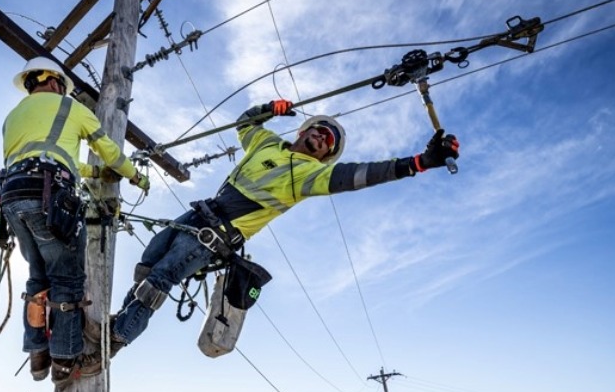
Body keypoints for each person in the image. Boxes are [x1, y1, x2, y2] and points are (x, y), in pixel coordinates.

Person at [107, 99, 460, 355]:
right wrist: (269, 109)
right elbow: (245, 124)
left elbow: (360, 175)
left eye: (328, 143)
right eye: (320, 131)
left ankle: (117, 339)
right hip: (198, 215)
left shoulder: (311, 175)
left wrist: (418, 162)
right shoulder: (267, 143)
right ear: (305, 130)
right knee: (147, 264)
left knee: (159, 280)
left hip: (214, 236)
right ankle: (118, 321)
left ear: (325, 156)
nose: (322, 138)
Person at [0, 56, 149, 390]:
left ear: (30, 84)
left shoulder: (13, 118)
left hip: (12, 197)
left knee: (38, 276)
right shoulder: (71, 108)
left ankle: (37, 355)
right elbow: (109, 150)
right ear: (54, 82)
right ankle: (64, 362)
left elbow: (49, 153)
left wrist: (93, 172)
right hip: (50, 198)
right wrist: (135, 175)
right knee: (68, 279)